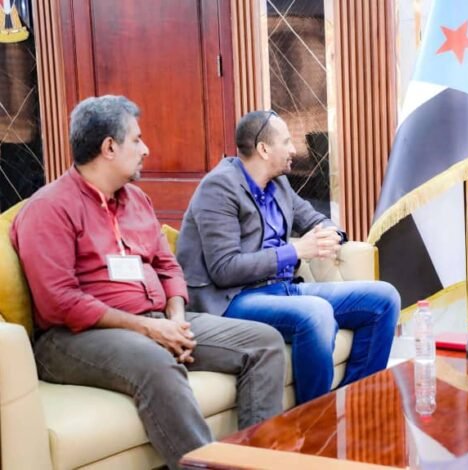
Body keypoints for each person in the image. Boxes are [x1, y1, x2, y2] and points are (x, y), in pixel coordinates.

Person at [11, 96, 286, 469]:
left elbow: (168, 266)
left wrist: (175, 318)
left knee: (264, 343)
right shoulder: (49, 208)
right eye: (137, 140)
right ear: (109, 147)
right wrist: (148, 329)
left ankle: (254, 462)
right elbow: (59, 301)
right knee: (156, 361)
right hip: (75, 336)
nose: (146, 150)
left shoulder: (137, 200)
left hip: (156, 318)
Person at [176, 110, 400, 404]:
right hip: (233, 298)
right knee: (315, 313)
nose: (294, 149)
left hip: (282, 289)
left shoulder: (278, 184)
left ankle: (357, 406)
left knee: (384, 298)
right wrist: (295, 251)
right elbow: (225, 268)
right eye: (286, 142)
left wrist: (330, 234)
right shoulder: (219, 187)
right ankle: (317, 419)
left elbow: (315, 219)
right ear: (264, 149)